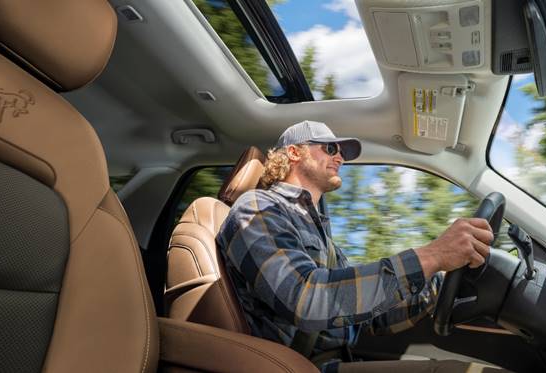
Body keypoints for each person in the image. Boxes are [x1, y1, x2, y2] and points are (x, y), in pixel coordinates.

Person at [216, 120, 505, 372]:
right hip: (294, 365)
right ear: (294, 152)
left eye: (341, 152)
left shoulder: (324, 237)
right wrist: (433, 256)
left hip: (335, 360)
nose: (340, 157)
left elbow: (368, 320)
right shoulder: (257, 209)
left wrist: (436, 285)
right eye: (330, 149)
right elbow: (305, 298)